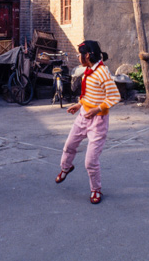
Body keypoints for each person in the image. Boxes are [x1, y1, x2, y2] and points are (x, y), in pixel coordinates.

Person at [55, 40, 121, 204]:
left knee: (90, 161)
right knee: (69, 145)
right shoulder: (89, 70)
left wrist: (97, 109)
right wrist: (79, 105)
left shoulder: (102, 72)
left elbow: (114, 96)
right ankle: (66, 167)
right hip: (83, 115)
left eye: (80, 54)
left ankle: (96, 189)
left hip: (97, 121)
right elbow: (89, 93)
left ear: (88, 55)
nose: (78, 56)